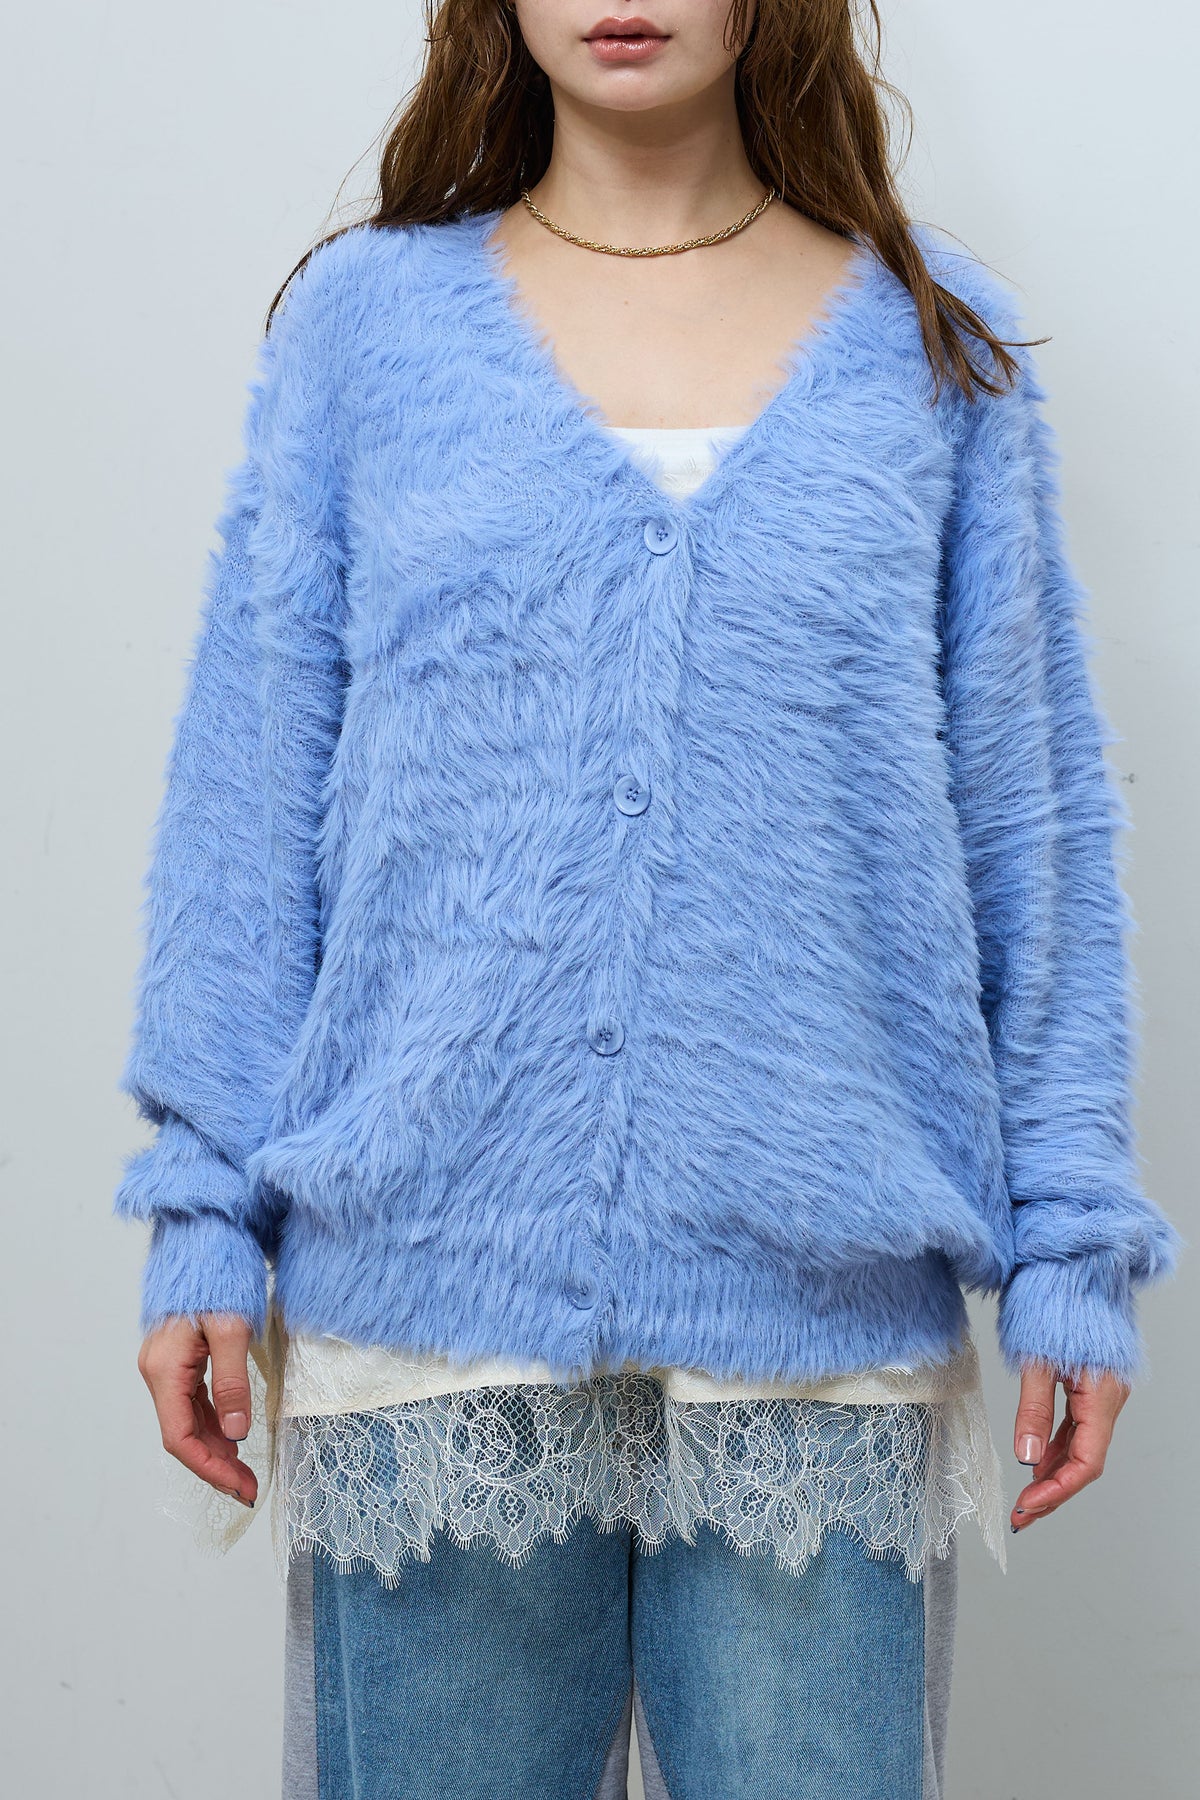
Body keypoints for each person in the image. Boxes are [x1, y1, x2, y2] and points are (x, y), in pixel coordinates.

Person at [117, 3, 1183, 1795]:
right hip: (429, 1273)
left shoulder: (935, 346)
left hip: (819, 1301)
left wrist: (1073, 1239)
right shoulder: (365, 334)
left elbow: (1034, 825)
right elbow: (249, 792)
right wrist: (203, 1210)